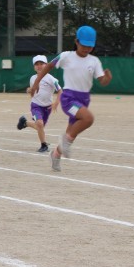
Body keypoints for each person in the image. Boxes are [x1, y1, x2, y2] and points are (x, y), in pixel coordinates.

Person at [30, 25, 112, 172]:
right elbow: (48, 66)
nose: (86, 49)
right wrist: (36, 83)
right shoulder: (66, 56)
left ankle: (55, 155)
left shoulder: (94, 61)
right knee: (88, 119)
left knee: (70, 134)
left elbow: (102, 81)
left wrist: (107, 79)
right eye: (84, 45)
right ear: (76, 41)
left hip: (84, 99)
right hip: (69, 98)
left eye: (90, 46)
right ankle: (64, 143)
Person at [17, 55, 61, 153]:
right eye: (36, 64)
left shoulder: (51, 79)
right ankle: (43, 145)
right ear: (34, 67)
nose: (39, 66)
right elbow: (32, 91)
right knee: (40, 124)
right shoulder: (33, 78)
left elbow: (60, 90)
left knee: (39, 127)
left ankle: (25, 123)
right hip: (36, 105)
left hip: (47, 107)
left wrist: (56, 102)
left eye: (42, 64)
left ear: (47, 65)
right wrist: (29, 90)